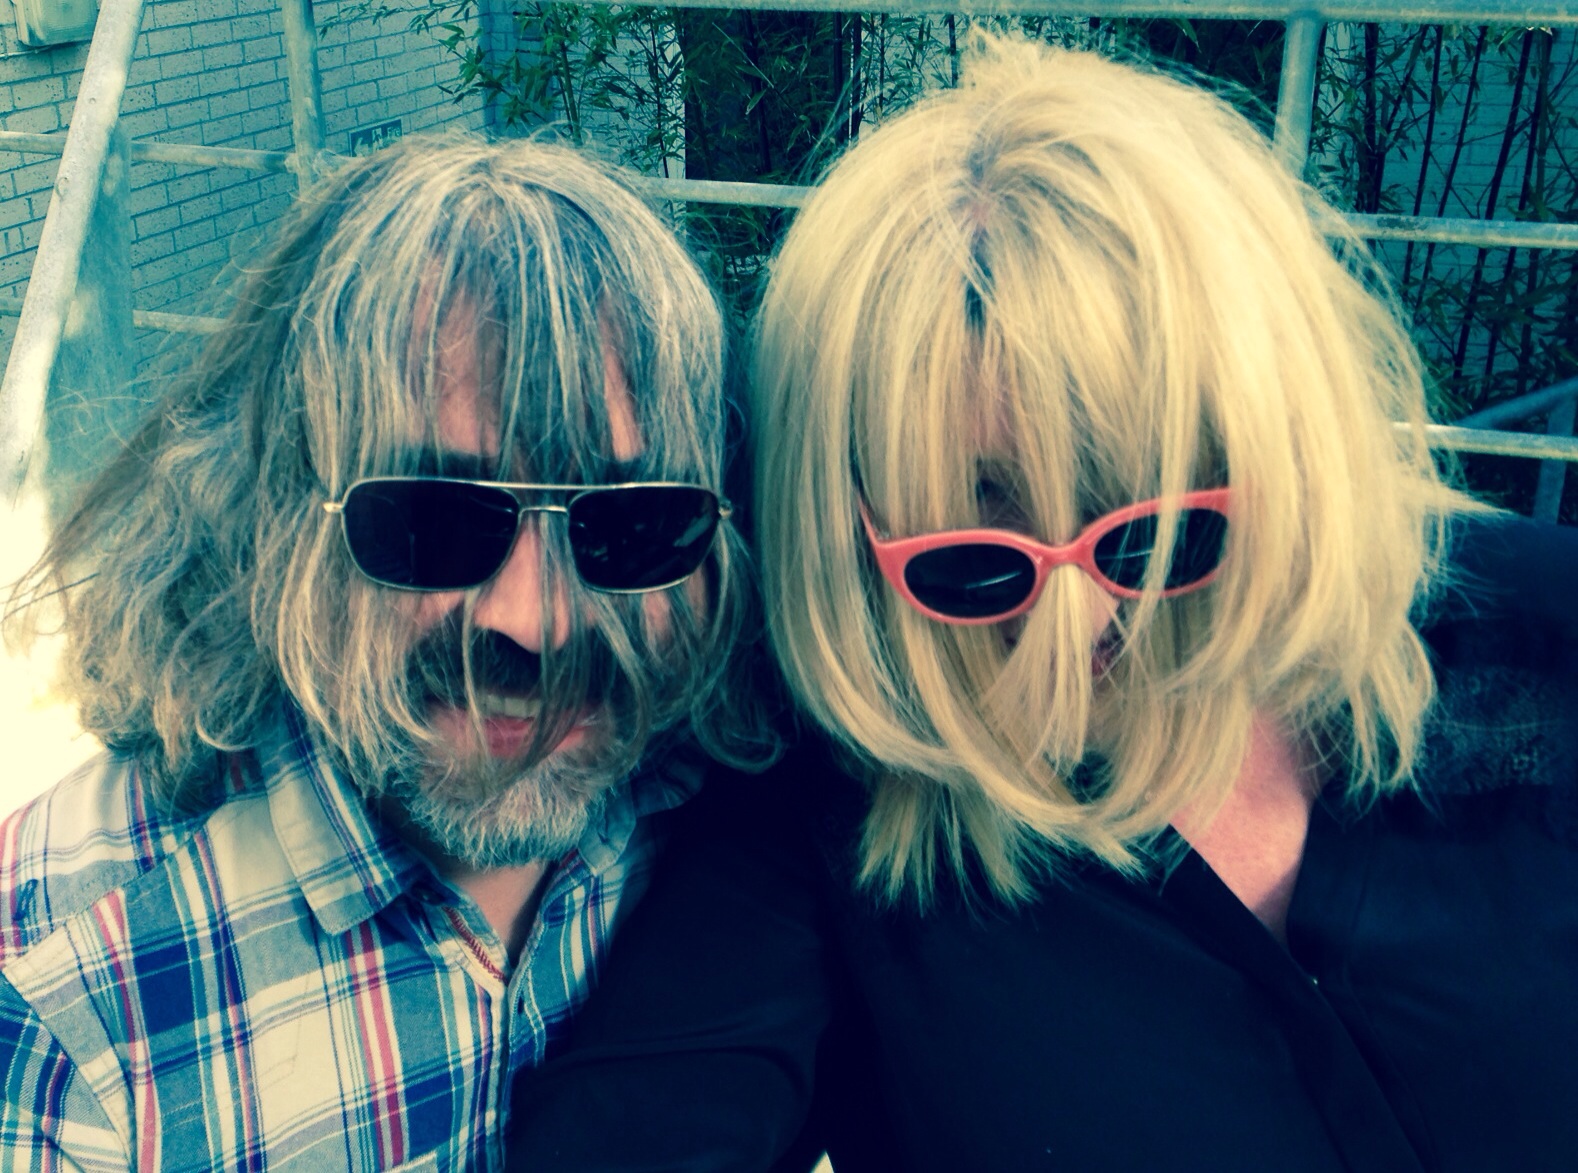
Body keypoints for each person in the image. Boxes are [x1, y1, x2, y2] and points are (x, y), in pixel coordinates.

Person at [507, 36, 1578, 1173]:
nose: (1083, 625)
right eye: (974, 555)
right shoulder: (824, 819)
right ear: (850, 532)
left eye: (1158, 530)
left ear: (1274, 445)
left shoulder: (1542, 633)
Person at [0, 134, 772, 1168]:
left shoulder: (726, 797)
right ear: (272, 510)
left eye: (629, 526)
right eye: (430, 524)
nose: (535, 622)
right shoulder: (64, 992)